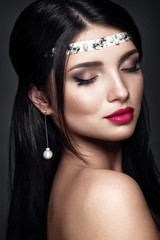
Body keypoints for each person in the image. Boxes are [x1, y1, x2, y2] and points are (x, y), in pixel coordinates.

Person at [6, 0, 160, 239]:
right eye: (86, 78)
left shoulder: (67, 189)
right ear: (42, 99)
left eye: (130, 67)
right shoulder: (109, 195)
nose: (121, 91)